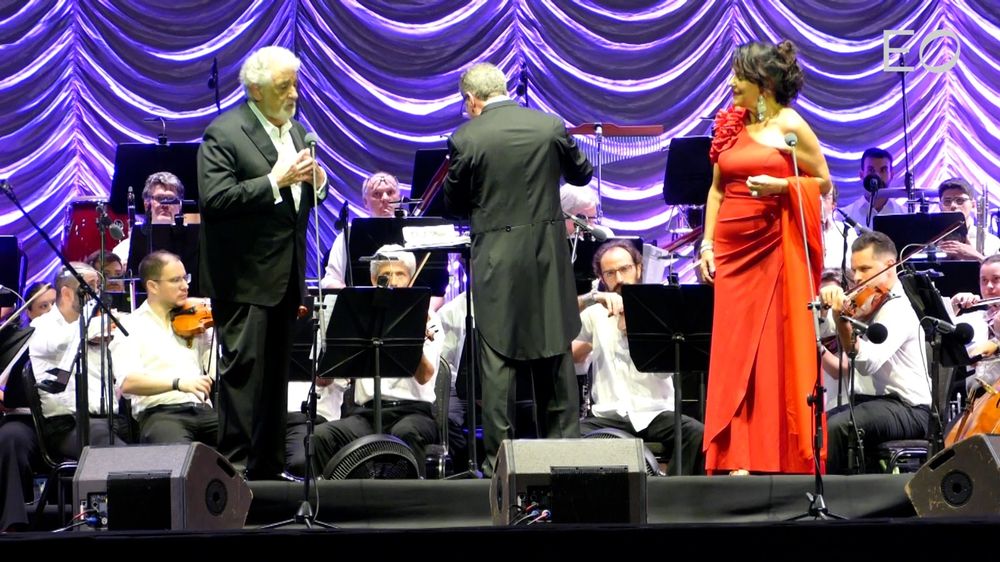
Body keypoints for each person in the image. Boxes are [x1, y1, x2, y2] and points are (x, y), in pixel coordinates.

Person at [443, 62, 593, 475]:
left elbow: (452, 204)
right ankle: (567, 468)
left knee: (498, 365)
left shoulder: (466, 137)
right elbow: (582, 173)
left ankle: (499, 472)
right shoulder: (549, 126)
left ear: (472, 101)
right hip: (547, 259)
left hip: (496, 262)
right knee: (555, 359)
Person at [698, 40, 831, 475]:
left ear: (765, 83)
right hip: (732, 257)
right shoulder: (732, 125)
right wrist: (706, 244)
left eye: (740, 76)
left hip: (772, 250)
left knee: (770, 351)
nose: (733, 83)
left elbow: (823, 181)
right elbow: (716, 190)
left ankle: (774, 454)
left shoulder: (791, 124)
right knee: (734, 353)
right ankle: (734, 453)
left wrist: (782, 188)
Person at [198, 45, 327, 480]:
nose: (293, 94)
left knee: (275, 380)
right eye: (283, 86)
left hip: (285, 278)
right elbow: (215, 200)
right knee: (242, 380)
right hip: (243, 279)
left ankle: (269, 471)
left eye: (294, 84)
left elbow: (295, 203)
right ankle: (231, 475)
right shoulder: (224, 132)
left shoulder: (295, 131)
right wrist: (275, 180)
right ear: (255, 90)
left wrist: (317, 185)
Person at [573, 240, 705, 474]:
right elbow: (568, 345)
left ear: (638, 268)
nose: (619, 279)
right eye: (610, 273)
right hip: (610, 415)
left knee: (696, 433)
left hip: (654, 413)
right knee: (563, 437)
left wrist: (635, 326)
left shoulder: (661, 308)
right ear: (602, 277)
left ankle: (672, 496)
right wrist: (591, 298)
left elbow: (664, 369)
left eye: (624, 269)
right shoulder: (596, 313)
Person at [310, 245, 442, 477]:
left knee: (405, 434)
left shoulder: (429, 319)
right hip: (365, 414)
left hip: (413, 413)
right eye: (384, 276)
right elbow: (324, 381)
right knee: (320, 437)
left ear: (410, 278)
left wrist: (412, 335)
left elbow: (424, 377)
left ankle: (407, 507)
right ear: (373, 281)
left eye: (399, 274)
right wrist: (329, 347)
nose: (392, 281)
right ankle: (335, 506)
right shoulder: (358, 319)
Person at [819, 231, 931, 474]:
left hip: (908, 408)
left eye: (865, 269)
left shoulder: (900, 307)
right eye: (854, 270)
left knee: (839, 428)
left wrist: (843, 323)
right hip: (872, 404)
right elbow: (822, 328)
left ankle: (836, 502)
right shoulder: (866, 300)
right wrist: (823, 307)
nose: (856, 278)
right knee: (818, 424)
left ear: (889, 266)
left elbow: (867, 362)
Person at [115, 251, 217, 445]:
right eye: (175, 280)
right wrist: (178, 383)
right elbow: (128, 383)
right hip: (160, 414)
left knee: (254, 435)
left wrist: (217, 329)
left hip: (203, 410)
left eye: (185, 278)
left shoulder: (196, 320)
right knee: (182, 457)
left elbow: (215, 371)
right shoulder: (130, 325)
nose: (185, 286)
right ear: (153, 286)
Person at [28, 264, 129, 459]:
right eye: (89, 287)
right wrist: (97, 326)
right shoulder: (41, 326)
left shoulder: (100, 325)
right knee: (119, 457)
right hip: (67, 426)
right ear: (66, 294)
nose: (97, 293)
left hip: (110, 420)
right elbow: (57, 342)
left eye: (98, 286)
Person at [320, 171, 400, 289]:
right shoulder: (349, 235)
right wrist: (354, 297)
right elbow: (330, 280)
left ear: (399, 196)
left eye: (390, 192)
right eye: (377, 194)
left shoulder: (414, 233)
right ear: (365, 202)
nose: (385, 198)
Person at [111, 171, 187, 264]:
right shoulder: (123, 251)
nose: (165, 205)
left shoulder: (192, 242)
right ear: (147, 204)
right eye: (159, 198)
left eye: (171, 198)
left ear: (180, 205)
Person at [839, 148, 905, 228]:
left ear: (891, 175)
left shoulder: (904, 215)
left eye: (883, 170)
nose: (877, 176)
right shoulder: (846, 216)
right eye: (871, 170)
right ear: (861, 175)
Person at [936, 178, 1000, 261]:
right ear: (940, 206)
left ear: (973, 205)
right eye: (947, 201)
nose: (953, 205)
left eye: (960, 200)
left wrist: (977, 257)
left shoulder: (992, 242)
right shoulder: (929, 240)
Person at [821, 184, 858, 270]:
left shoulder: (847, 232)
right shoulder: (798, 231)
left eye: (825, 197)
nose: (819, 202)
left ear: (833, 205)